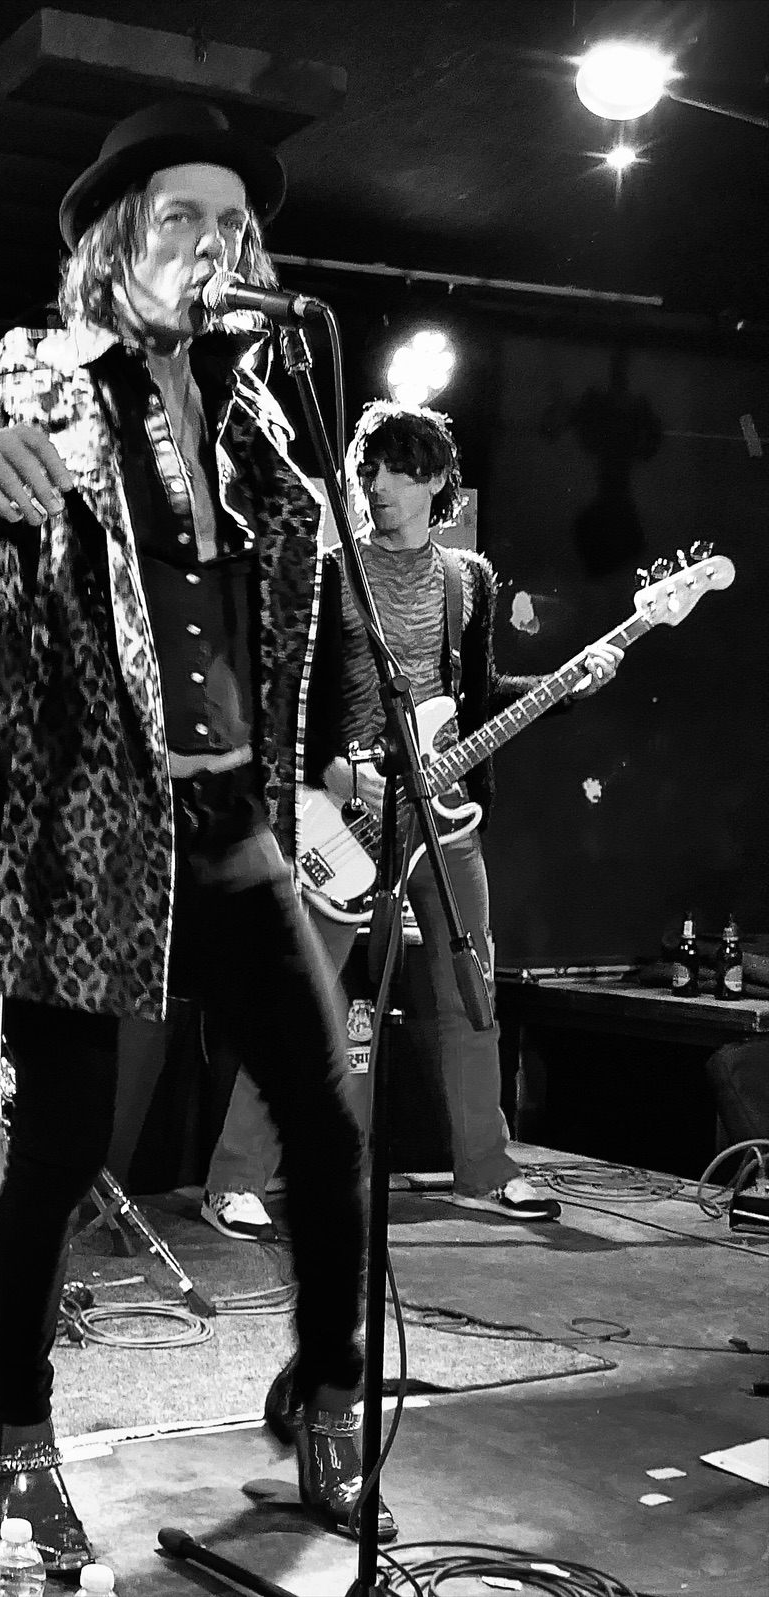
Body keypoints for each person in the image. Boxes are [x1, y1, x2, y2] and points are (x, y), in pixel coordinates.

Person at [0, 99, 388, 1564]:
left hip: (232, 823)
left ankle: (330, 1396)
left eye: (230, 222)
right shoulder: (31, 371)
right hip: (81, 830)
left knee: (328, 1122)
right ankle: (17, 1437)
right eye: (180, 217)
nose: (211, 243)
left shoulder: (263, 413)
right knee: (64, 1142)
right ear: (116, 242)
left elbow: (302, 616)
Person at [203, 401, 623, 1241]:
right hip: (343, 816)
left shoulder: (468, 580)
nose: (378, 485)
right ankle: (234, 1179)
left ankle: (484, 1168)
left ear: (436, 482)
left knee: (472, 995)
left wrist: (565, 687)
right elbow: (275, 698)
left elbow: (473, 699)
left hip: (444, 817)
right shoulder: (327, 574)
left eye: (398, 470)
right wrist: (331, 771)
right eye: (368, 470)